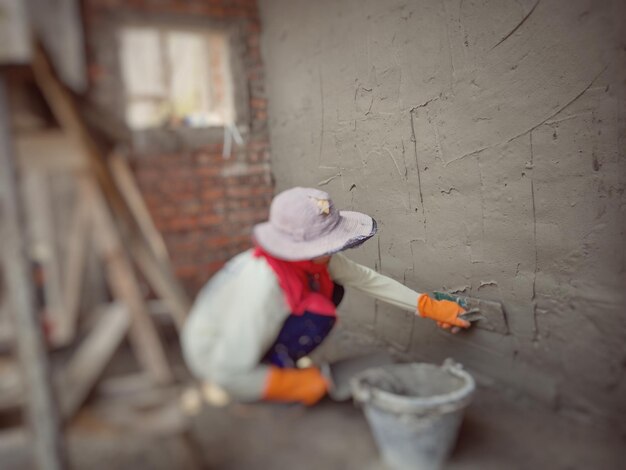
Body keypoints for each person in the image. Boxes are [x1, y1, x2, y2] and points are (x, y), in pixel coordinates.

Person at [181, 187, 470, 406]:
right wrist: (292, 385)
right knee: (316, 315)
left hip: (240, 336)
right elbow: (225, 371)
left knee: (334, 290)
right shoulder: (264, 288)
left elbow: (367, 279)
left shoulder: (312, 261)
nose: (333, 251)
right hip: (214, 355)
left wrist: (426, 306)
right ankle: (269, 372)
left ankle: (276, 363)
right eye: (326, 245)